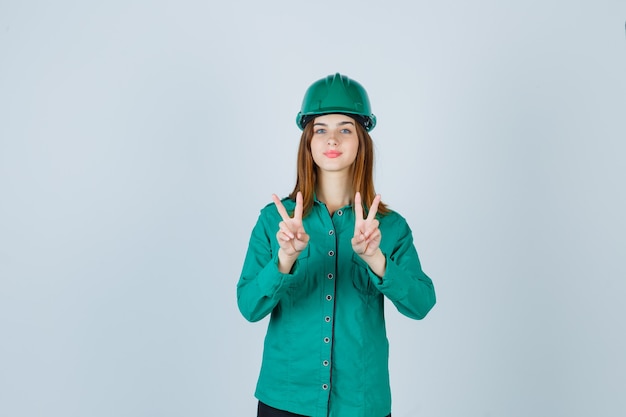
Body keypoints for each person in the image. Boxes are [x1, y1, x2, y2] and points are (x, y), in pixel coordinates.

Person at [237, 73, 436, 417]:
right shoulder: (276, 221)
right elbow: (249, 306)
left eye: (345, 128)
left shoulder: (389, 227)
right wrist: (284, 260)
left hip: (361, 403)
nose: (332, 139)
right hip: (285, 400)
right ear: (308, 142)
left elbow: (421, 304)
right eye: (321, 129)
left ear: (361, 140)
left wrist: (377, 260)